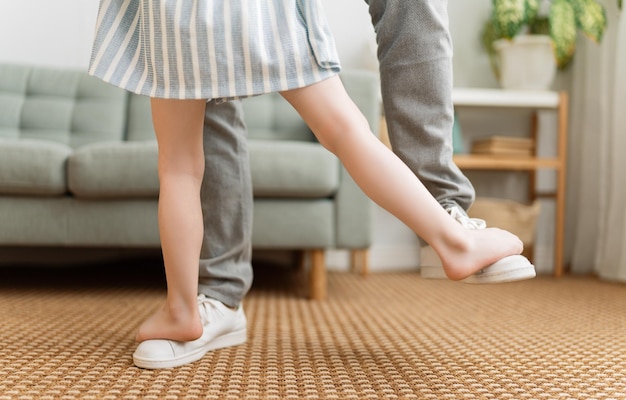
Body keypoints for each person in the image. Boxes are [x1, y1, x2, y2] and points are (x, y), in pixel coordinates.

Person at [89, 0, 535, 369]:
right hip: (259, 13)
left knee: (179, 168)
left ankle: (182, 309)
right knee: (346, 133)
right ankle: (452, 239)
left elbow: (179, 171)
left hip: (173, 18)